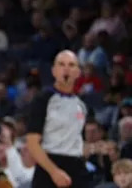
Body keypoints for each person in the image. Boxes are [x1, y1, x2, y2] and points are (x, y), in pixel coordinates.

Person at [26, 50, 93, 188]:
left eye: (71, 65)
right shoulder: (43, 99)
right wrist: (54, 171)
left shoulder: (82, 104)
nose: (66, 69)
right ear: (54, 71)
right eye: (61, 64)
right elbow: (32, 143)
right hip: (49, 166)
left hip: (77, 167)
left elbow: (79, 141)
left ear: (78, 72)